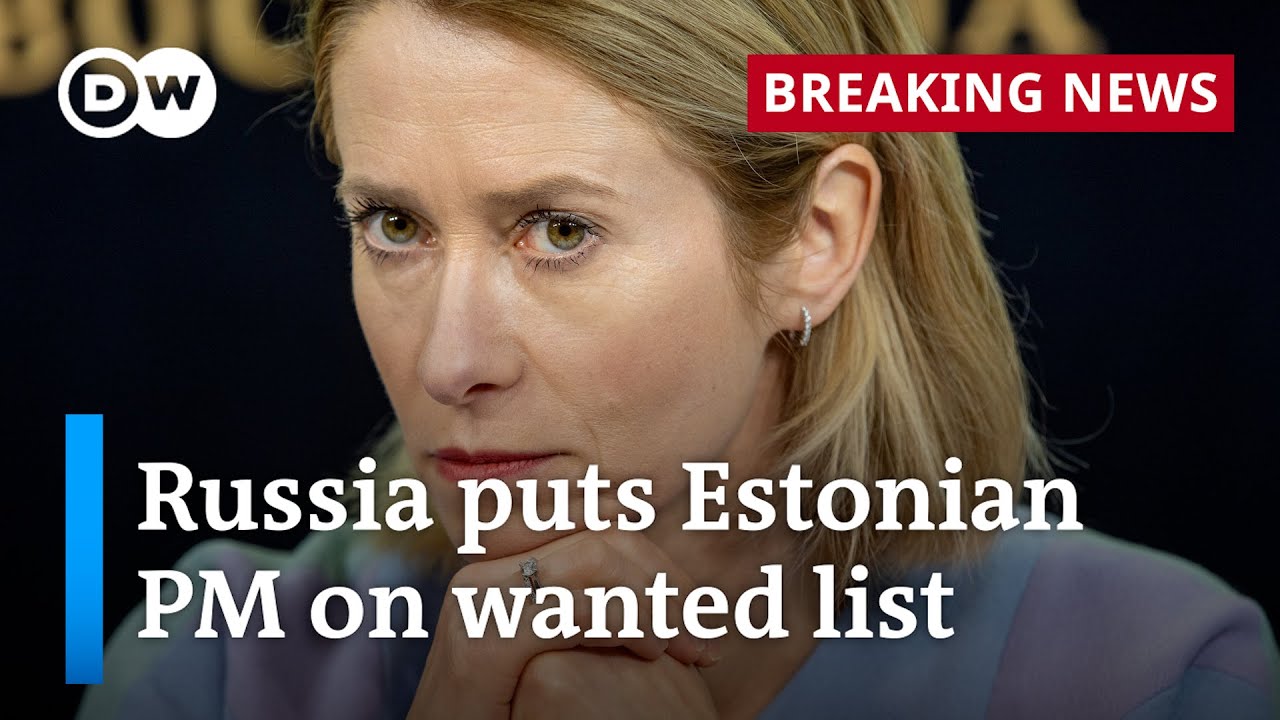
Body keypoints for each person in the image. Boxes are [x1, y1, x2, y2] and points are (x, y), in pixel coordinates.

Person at [77, 1, 1278, 718]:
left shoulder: (1151, 676)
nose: (449, 361)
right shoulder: (217, 669)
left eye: (558, 231)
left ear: (817, 239)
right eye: (394, 225)